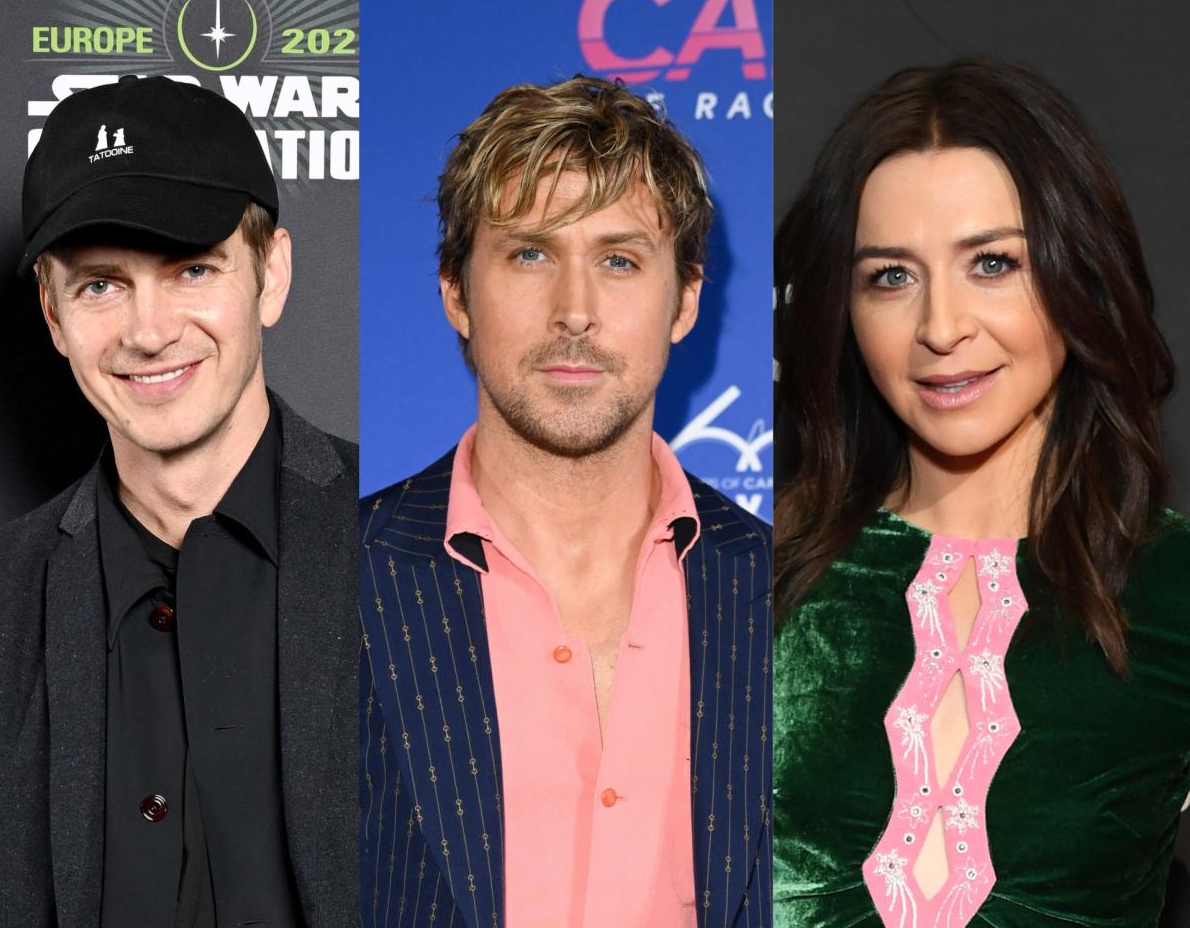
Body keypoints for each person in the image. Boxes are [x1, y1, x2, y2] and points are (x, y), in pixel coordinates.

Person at [773, 59, 1190, 926]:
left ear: (1081, 275)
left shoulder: (1176, 588)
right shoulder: (745, 584)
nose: (941, 327)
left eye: (993, 263)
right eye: (891, 276)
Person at [359, 76, 772, 927]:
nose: (575, 311)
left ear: (686, 300)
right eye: (530, 254)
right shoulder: (327, 580)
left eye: (619, 260)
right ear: (455, 294)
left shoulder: (796, 593)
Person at [0, 76, 358, 926]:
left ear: (271, 275)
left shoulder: (417, 549)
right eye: (102, 284)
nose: (148, 330)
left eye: (192, 269)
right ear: (54, 317)